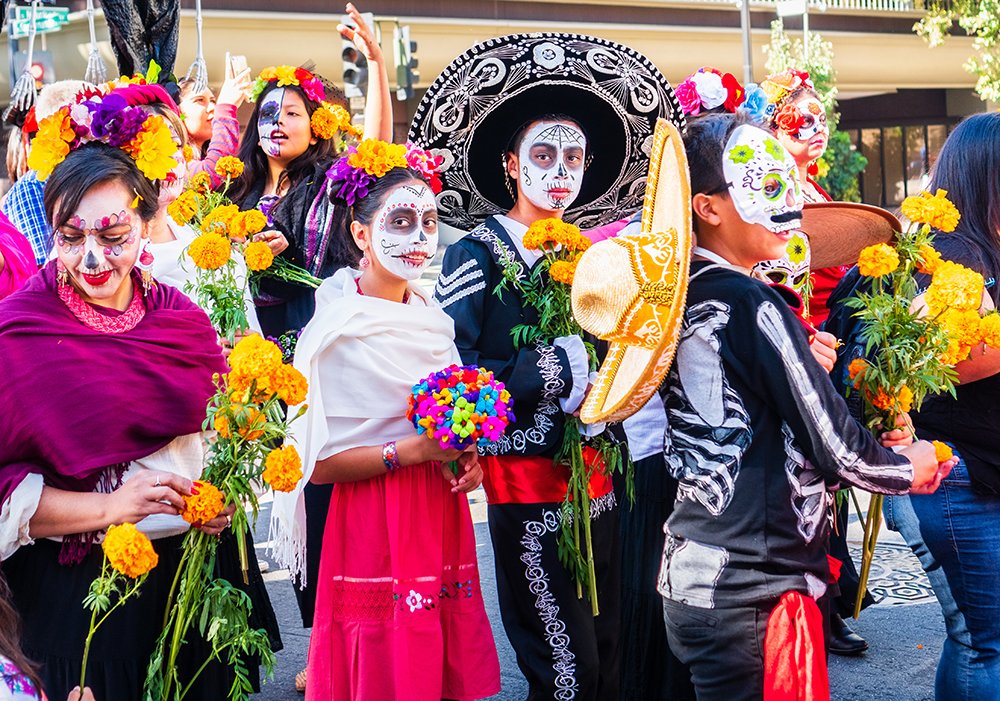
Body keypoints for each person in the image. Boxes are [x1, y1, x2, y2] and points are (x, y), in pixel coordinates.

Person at [411, 32, 684, 700]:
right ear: (509, 163)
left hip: (602, 478)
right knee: (567, 670)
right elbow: (453, 380)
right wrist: (547, 369)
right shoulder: (473, 257)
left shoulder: (597, 259)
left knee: (613, 652)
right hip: (527, 489)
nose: (560, 170)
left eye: (573, 156)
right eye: (542, 153)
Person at [657, 112, 953, 701]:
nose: (787, 201)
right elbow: (836, 445)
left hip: (697, 574)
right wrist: (906, 467)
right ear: (707, 207)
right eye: (763, 185)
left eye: (786, 183)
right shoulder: (750, 303)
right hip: (752, 587)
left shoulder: (679, 293)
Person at [0, 129, 236, 699]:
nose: (92, 257)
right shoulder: (17, 332)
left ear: (146, 225)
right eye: (71, 236)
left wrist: (215, 503)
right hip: (74, 597)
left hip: (185, 581)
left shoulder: (181, 319)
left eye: (113, 234)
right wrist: (111, 507)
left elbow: (215, 441)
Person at [270, 141, 501, 700]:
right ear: (360, 234)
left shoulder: (431, 318)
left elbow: (451, 415)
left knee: (434, 660)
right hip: (372, 515)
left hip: (437, 508)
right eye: (400, 221)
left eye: (428, 222)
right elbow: (318, 466)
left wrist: (470, 457)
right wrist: (411, 452)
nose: (419, 238)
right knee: (379, 661)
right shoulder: (336, 329)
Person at [877, 112, 1000, 701]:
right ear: (985, 175)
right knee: (983, 639)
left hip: (979, 470)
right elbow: (934, 365)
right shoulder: (944, 252)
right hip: (953, 475)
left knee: (982, 636)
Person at [177, 57, 252, 187]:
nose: (213, 108)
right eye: (199, 100)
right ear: (177, 112)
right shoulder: (171, 158)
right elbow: (209, 175)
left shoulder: (206, 155)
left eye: (213, 101)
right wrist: (225, 107)